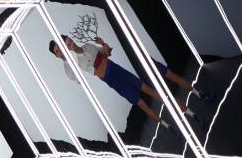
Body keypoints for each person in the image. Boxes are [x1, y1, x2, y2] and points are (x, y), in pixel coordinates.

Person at [49, 35, 216, 137]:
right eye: (63, 46)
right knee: (142, 103)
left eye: (67, 41)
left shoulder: (87, 46)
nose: (68, 44)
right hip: (113, 81)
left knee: (154, 92)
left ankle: (192, 114)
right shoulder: (74, 65)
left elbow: (106, 53)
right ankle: (169, 126)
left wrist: (103, 45)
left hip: (119, 70)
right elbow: (88, 75)